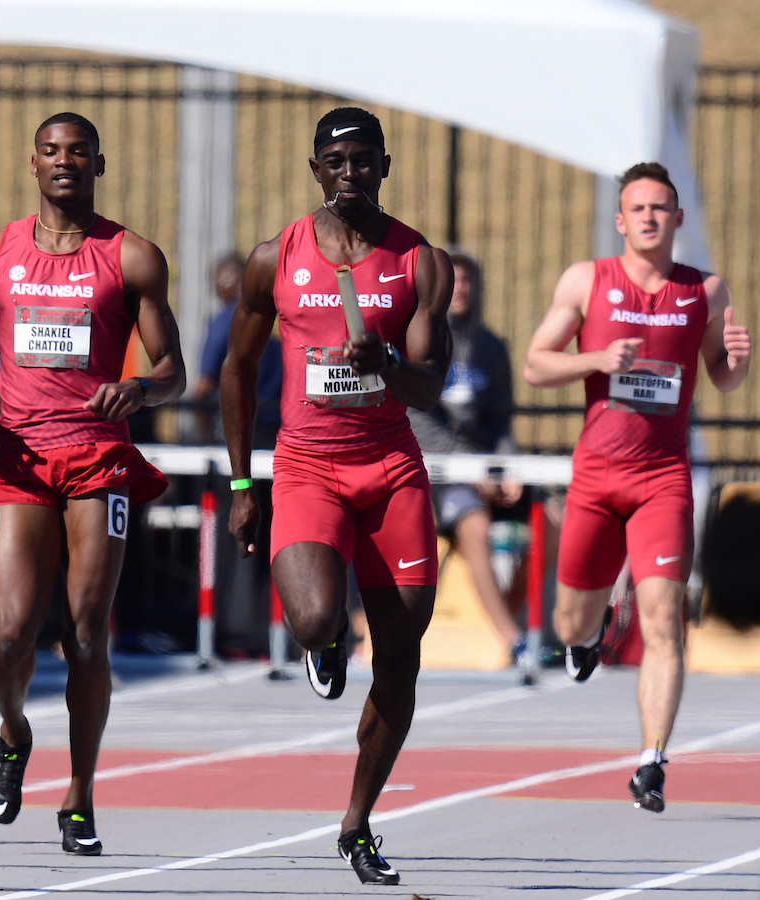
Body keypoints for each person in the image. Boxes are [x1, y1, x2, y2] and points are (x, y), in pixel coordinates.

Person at [221, 106, 452, 885]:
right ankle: (323, 645)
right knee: (318, 617)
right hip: (308, 467)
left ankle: (357, 820)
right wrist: (242, 481)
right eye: (336, 161)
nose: (351, 172)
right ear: (315, 170)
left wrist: (384, 360)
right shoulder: (274, 258)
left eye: (365, 160)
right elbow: (236, 370)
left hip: (390, 469)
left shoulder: (419, 262)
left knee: (402, 659)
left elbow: (430, 384)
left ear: (385, 167)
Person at [0, 112, 184, 856]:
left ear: (98, 164)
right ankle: (14, 732)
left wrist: (140, 392)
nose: (64, 163)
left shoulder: (133, 257)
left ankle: (80, 798)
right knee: (12, 630)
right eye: (51, 152)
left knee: (85, 635)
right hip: (20, 459)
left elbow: (172, 368)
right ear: (33, 163)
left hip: (97, 459)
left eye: (77, 152)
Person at [524, 162, 750, 814]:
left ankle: (652, 760)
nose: (651, 218)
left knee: (664, 624)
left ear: (678, 219)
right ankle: (589, 636)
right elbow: (537, 365)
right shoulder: (587, 280)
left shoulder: (703, 291)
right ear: (621, 220)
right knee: (569, 620)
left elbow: (720, 377)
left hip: (662, 480)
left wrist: (736, 359)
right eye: (639, 208)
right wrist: (595, 360)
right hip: (597, 478)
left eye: (662, 208)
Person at [407, 252, 541, 667]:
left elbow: (500, 423)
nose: (460, 289)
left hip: (484, 469)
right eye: (454, 281)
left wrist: (508, 466)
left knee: (546, 521)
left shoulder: (491, 347)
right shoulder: (419, 339)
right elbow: (419, 421)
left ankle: (526, 622)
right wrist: (474, 469)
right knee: (475, 524)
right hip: (438, 474)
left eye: (467, 281)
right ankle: (512, 637)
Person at [193, 253, 282, 445]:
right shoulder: (278, 313)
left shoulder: (225, 320)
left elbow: (203, 386)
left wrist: (204, 438)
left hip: (238, 428)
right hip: (278, 425)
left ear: (225, 283)